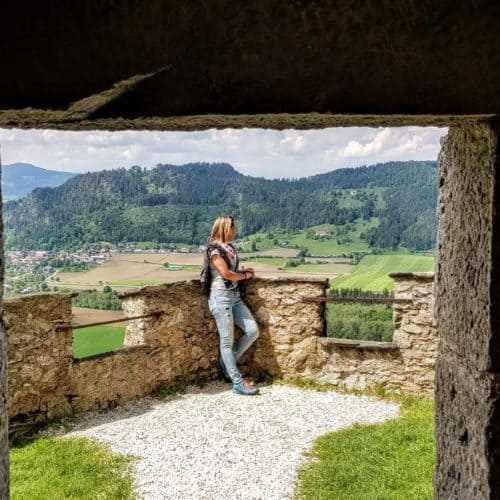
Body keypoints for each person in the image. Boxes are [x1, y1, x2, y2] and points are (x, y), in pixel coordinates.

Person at [207, 215, 260, 395]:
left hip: (235, 297)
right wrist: (245, 276)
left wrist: (242, 272)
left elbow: (233, 272)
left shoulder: (229, 248)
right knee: (227, 342)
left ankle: (227, 363)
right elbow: (226, 274)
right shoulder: (213, 249)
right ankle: (237, 382)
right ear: (225, 228)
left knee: (253, 330)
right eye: (232, 227)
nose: (234, 231)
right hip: (220, 297)